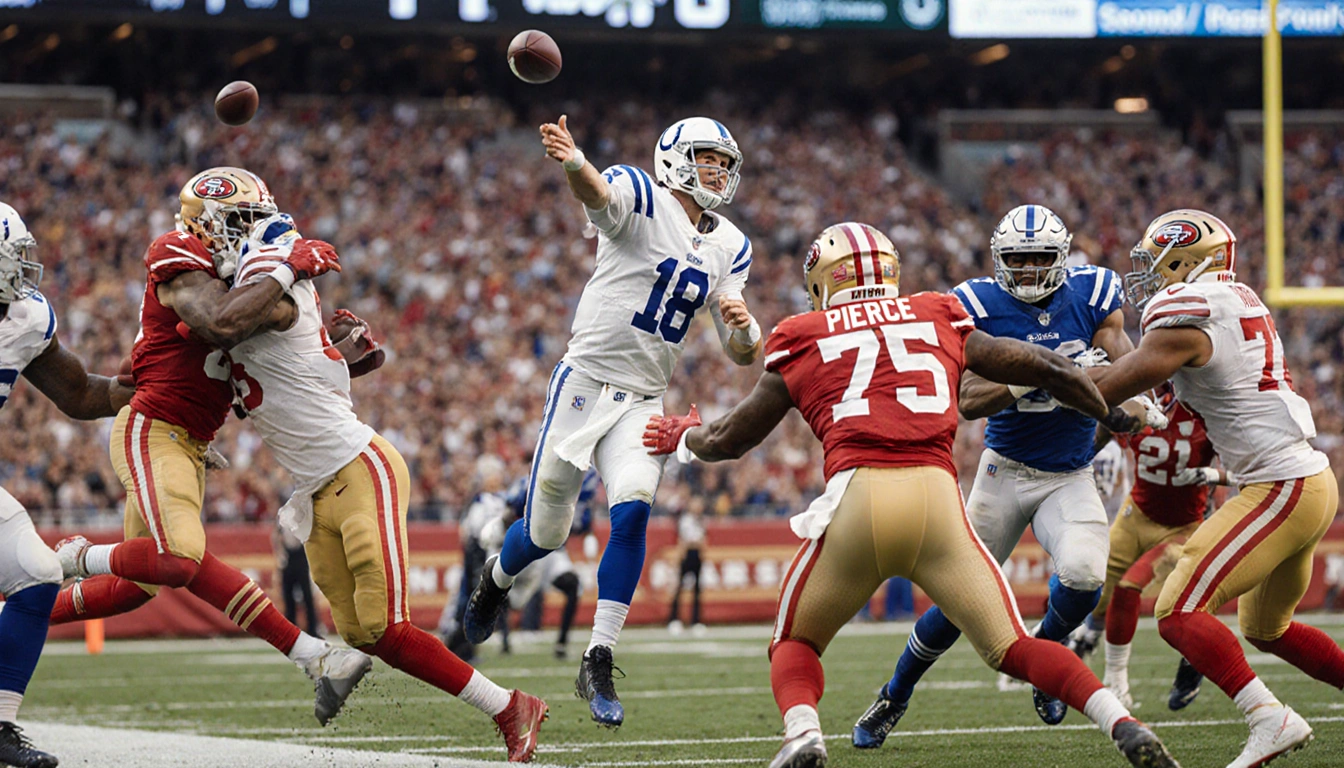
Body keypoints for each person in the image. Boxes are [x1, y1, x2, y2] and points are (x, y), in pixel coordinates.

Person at [643, 222, 1177, 768]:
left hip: (860, 499)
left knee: (794, 643)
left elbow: (730, 440)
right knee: (1014, 646)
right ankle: (1122, 721)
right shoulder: (936, 312)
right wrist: (1107, 413)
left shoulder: (801, 333)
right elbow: (1042, 365)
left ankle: (803, 732)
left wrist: (681, 437)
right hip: (937, 500)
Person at [203, 218, 549, 761]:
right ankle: (506, 704)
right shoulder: (247, 303)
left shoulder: (270, 289)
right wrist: (344, 350)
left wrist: (290, 270)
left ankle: (509, 707)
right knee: (365, 635)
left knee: (389, 624)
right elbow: (297, 374)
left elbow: (230, 324)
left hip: (360, 467)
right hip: (315, 490)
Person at [464, 114, 763, 727]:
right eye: (708, 159)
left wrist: (745, 327)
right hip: (583, 384)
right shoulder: (640, 191)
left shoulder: (730, 243)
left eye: (723, 163)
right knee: (546, 531)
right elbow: (599, 196)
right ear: (678, 158)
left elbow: (741, 354)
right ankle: (496, 578)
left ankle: (599, 656)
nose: (719, 172)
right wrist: (575, 160)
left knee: (633, 508)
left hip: (644, 399)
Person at [49, 167, 370, 727]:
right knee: (179, 557)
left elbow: (276, 366)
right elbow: (222, 323)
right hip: (153, 429)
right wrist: (290, 267)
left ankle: (17, 613)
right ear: (204, 223)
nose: (253, 231)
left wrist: (334, 345)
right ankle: (77, 557)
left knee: (138, 588)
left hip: (188, 440)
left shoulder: (243, 280)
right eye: (242, 220)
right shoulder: (177, 252)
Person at [856, 204, 1166, 735]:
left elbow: (1128, 367)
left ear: (1061, 258)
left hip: (1068, 474)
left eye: (1039, 259)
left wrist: (1135, 402)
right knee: (958, 600)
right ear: (1000, 260)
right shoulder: (976, 304)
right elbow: (969, 400)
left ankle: (1046, 659)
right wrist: (1039, 375)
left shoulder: (1092, 295)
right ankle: (894, 694)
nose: (1026, 271)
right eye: (1017, 261)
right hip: (1003, 473)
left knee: (1087, 574)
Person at [1089, 209, 1341, 768]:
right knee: (1264, 628)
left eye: (1157, 262)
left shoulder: (1188, 312)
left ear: (1188, 261)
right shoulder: (1236, 299)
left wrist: (1044, 375)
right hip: (1306, 480)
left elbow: (1113, 385)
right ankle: (1270, 715)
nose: (1150, 276)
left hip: (1279, 486)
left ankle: (1268, 717)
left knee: (1178, 610)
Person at [0, 203, 134, 768]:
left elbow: (77, 392)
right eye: (13, 255)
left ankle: (0, 727)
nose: (24, 267)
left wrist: (141, 391)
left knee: (38, 572)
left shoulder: (25, 319)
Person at [1068, 383, 1233, 712]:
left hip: (1182, 528)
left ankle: (1118, 682)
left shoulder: (1206, 411)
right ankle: (1087, 635)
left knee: (1130, 587)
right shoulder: (1135, 407)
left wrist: (1214, 475)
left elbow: (1245, 470)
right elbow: (1101, 430)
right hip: (1136, 515)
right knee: (1092, 584)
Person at [274, 522, 321, 637]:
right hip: (288, 559)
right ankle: (290, 630)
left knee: (307, 596)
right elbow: (277, 537)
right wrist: (280, 555)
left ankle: (312, 629)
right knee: (288, 596)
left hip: (301, 559)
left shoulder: (302, 520)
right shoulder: (282, 521)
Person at [667, 498, 706, 632]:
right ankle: (674, 619)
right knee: (679, 588)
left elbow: (703, 540)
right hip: (687, 554)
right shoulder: (686, 520)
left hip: (697, 555)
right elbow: (686, 540)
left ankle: (695, 620)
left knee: (697, 590)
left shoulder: (700, 520)